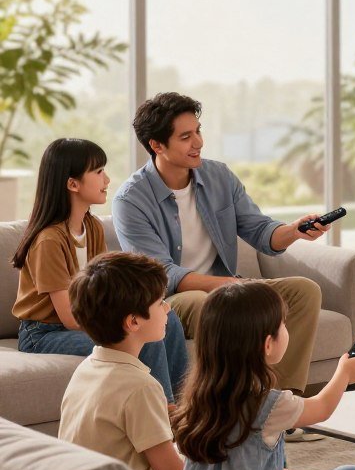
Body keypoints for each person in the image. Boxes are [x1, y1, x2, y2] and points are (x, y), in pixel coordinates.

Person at [112, 92, 327, 401]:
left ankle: (282, 405)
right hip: (174, 298)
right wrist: (228, 286)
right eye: (185, 136)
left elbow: (258, 228)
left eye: (198, 131)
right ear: (157, 145)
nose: (198, 142)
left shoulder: (219, 177)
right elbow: (162, 273)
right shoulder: (130, 200)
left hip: (226, 286)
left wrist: (293, 231)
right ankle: (226, 408)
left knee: (304, 291)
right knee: (207, 304)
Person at [172, 282, 355, 470]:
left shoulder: (199, 397)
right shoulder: (268, 404)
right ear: (268, 344)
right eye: (284, 325)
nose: (287, 330)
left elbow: (231, 468)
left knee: (277, 457)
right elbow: (322, 408)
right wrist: (344, 373)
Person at [12, 138, 188, 404]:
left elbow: (107, 288)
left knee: (168, 321)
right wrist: (128, 323)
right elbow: (70, 318)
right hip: (44, 334)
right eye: (98, 172)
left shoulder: (92, 227)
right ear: (73, 184)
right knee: (143, 335)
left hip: (81, 323)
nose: (107, 179)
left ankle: (185, 411)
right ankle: (165, 416)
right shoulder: (49, 240)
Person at [58, 252, 184, 470]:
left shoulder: (87, 368)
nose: (168, 308)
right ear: (133, 321)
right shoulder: (141, 387)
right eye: (161, 302)